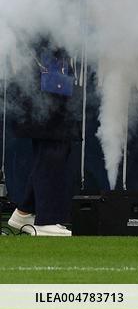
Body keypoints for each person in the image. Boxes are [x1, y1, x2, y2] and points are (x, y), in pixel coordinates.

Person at [5, 45, 81, 237]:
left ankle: (24, 212)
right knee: (53, 147)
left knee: (57, 146)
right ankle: (45, 219)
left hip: (50, 80)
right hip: (44, 82)